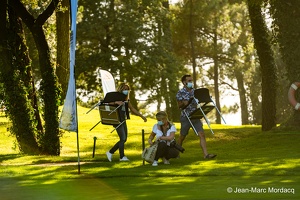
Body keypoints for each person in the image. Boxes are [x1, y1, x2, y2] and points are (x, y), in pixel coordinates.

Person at [176, 75, 216, 159]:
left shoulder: (195, 92)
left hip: (195, 115)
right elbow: (179, 106)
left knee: (201, 134)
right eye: (189, 81)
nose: (191, 82)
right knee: (182, 136)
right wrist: (184, 103)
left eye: (191, 80)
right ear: (184, 82)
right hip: (186, 117)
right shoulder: (180, 93)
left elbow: (200, 101)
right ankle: (176, 153)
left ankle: (206, 155)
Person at [106, 83, 147, 162]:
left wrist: (141, 116)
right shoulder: (115, 97)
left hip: (123, 120)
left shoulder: (126, 100)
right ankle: (122, 157)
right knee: (123, 138)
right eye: (125, 89)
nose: (126, 91)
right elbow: (106, 103)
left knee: (124, 139)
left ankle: (110, 152)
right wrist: (116, 103)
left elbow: (132, 109)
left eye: (127, 89)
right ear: (121, 89)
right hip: (117, 120)